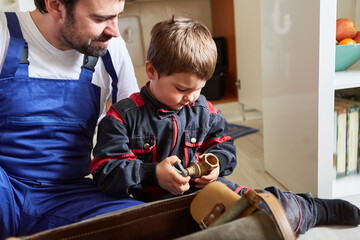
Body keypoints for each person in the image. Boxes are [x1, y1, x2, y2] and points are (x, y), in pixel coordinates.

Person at [90, 16, 360, 236]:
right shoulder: (121, 117)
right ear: (151, 71)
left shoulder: (202, 109)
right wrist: (153, 174)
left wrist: (216, 164)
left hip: (206, 195)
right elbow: (105, 171)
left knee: (263, 205)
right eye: (181, 88)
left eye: (199, 88)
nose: (191, 97)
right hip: (149, 207)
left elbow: (224, 146)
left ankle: (311, 209)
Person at [0, 0, 145, 239]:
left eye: (117, 15)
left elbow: (139, 133)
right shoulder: (4, 32)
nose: (115, 31)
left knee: (145, 221)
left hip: (69, 195)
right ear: (56, 6)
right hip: (5, 188)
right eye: (99, 19)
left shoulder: (111, 48)